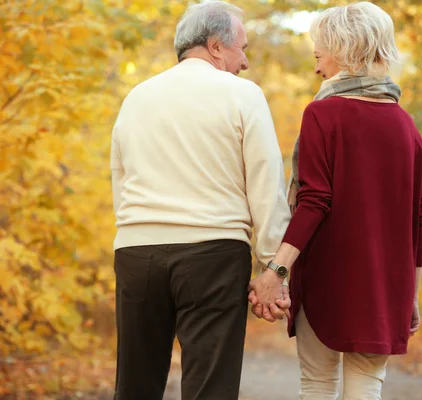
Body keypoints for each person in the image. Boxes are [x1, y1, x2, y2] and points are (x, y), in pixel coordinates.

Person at [249, 2, 422, 399]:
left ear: (345, 50)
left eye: (319, 55)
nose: (317, 68)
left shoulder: (323, 114)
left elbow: (314, 201)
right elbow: (420, 219)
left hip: (327, 279)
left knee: (317, 386)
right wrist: (410, 294)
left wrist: (275, 271)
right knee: (367, 388)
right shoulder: (406, 125)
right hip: (386, 285)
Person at [110, 1, 291, 399]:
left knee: (135, 385)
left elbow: (121, 179)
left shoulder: (136, 97)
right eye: (241, 48)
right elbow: (265, 182)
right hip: (212, 252)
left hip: (137, 252)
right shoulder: (243, 94)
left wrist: (136, 230)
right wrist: (273, 267)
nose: (245, 61)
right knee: (210, 387)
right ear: (214, 46)